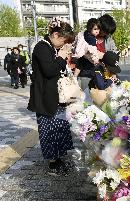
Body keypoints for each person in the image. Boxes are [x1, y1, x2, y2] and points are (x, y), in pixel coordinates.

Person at [28, 17, 75, 176]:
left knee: (60, 128)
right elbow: (49, 71)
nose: (64, 44)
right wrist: (61, 57)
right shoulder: (42, 47)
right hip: (45, 98)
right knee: (49, 130)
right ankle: (53, 163)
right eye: (63, 40)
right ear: (55, 34)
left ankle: (59, 158)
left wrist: (62, 57)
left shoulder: (53, 48)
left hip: (57, 97)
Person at [76, 14, 117, 91]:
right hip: (88, 74)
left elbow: (114, 58)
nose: (106, 34)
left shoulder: (109, 40)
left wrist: (113, 73)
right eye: (105, 31)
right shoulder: (85, 36)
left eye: (108, 33)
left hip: (104, 74)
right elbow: (78, 52)